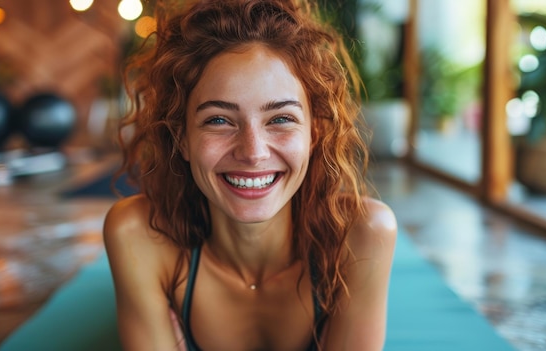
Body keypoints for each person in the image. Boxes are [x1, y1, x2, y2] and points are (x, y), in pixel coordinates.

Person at [103, 0, 397, 350]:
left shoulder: (362, 236)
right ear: (182, 138)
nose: (253, 151)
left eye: (280, 119)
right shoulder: (138, 235)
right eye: (219, 120)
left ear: (314, 134)